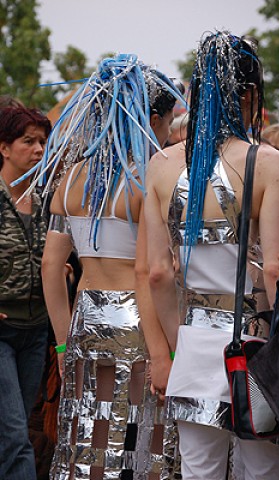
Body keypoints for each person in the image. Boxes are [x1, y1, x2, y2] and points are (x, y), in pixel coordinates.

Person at [20, 54, 185, 479]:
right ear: (150, 119)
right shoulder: (152, 175)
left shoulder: (72, 177)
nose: (168, 134)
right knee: (148, 434)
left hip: (86, 316)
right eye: (168, 123)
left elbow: (51, 266)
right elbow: (156, 268)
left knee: (90, 434)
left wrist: (62, 341)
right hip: (140, 319)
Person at [143, 31, 279, 479]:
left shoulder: (162, 165)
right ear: (248, 94)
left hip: (193, 343)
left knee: (199, 468)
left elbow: (156, 275)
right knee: (263, 468)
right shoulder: (267, 163)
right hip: (255, 346)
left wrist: (174, 348)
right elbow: (272, 270)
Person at [0, 106, 51, 480]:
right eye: (28, 141)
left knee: (13, 432)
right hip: (2, 329)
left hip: (36, 330)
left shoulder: (48, 198)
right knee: (16, 435)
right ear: (4, 148)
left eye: (43, 142)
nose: (38, 149)